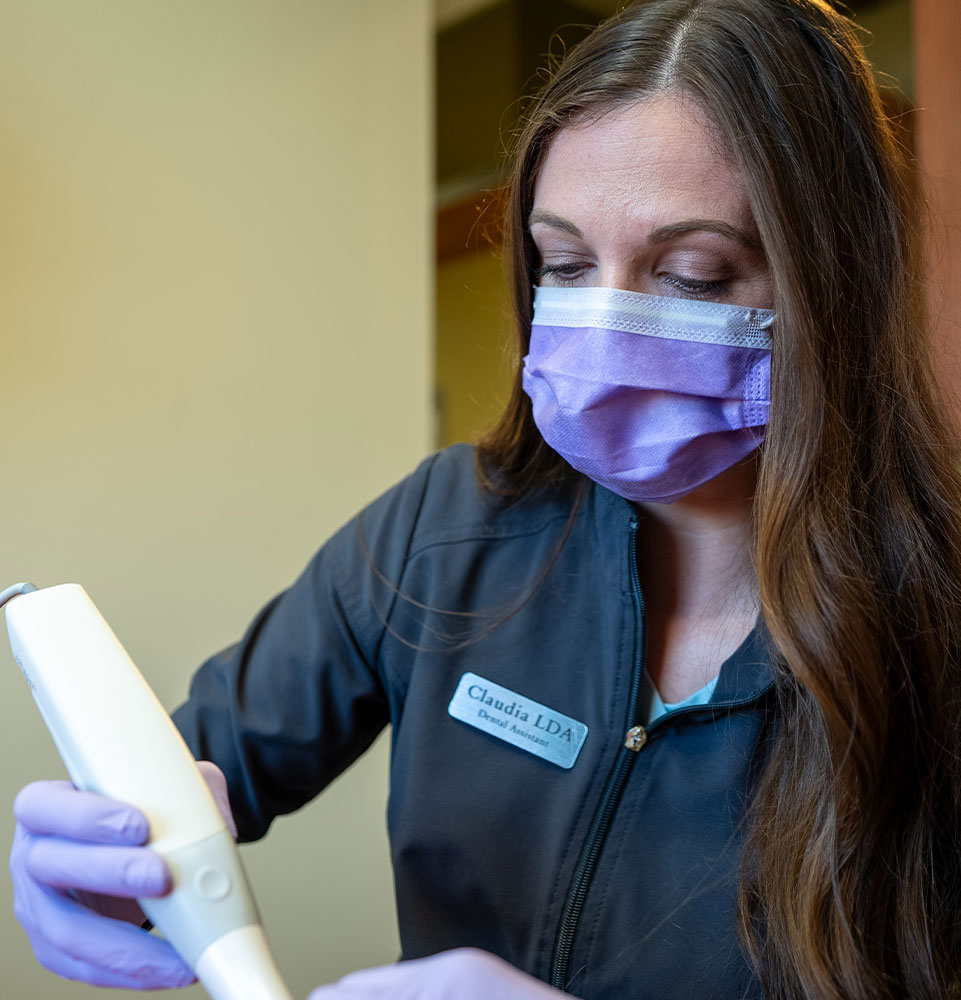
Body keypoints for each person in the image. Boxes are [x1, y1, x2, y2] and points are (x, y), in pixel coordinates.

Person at [11, 0, 961, 997]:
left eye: (690, 275)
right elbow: (195, 769)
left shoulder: (930, 633)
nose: (602, 331)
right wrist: (90, 863)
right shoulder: (444, 531)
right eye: (566, 265)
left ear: (834, 286)